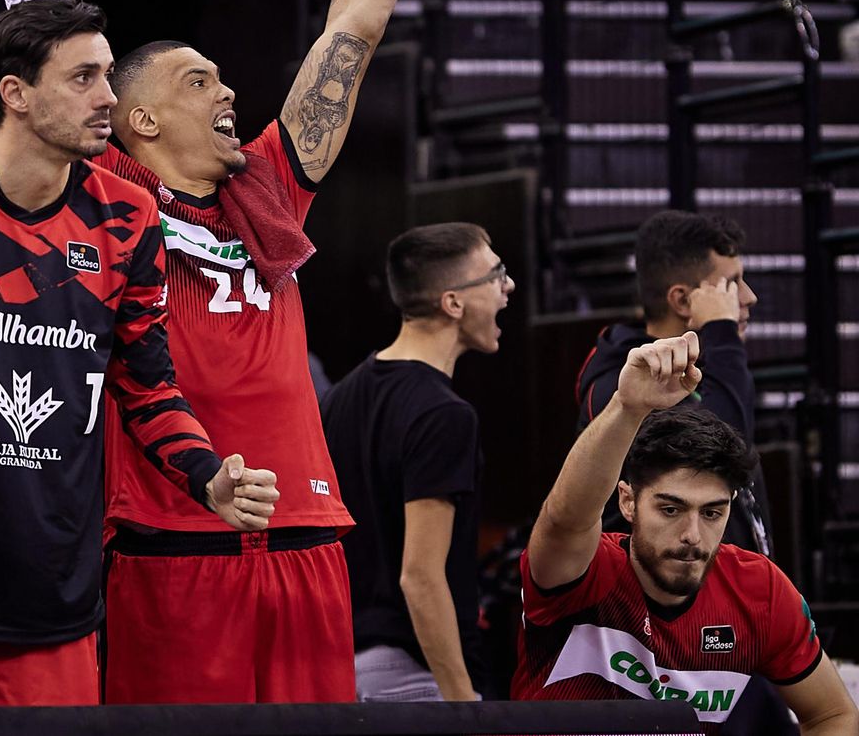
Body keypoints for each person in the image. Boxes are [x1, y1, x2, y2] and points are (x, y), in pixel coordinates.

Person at [0, 0, 477, 703]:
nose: (229, 93)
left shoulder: (265, 191)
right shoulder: (101, 194)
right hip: (170, 541)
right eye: (198, 81)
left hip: (309, 534)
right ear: (134, 118)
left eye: (224, 79)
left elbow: (351, 27)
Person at [0, 0, 280, 707]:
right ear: (16, 92)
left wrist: (208, 480)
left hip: (58, 593)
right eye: (82, 78)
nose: (107, 97)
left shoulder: (129, 217)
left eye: (107, 75)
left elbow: (149, 390)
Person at [516, 332, 858, 734]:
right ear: (627, 502)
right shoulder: (583, 572)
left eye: (712, 512)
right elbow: (564, 521)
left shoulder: (759, 592)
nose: (693, 535)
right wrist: (628, 407)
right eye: (671, 509)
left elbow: (833, 715)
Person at [320, 223, 512, 702]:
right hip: (416, 676)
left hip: (346, 666)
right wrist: (462, 701)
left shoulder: (341, 396)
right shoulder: (445, 416)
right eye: (495, 275)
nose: (508, 287)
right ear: (453, 303)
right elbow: (420, 577)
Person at [575, 211, 769, 556]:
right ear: (682, 300)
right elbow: (719, 456)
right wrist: (722, 334)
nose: (749, 296)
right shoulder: (623, 386)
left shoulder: (704, 371)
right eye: (731, 284)